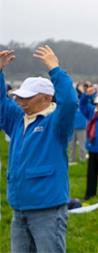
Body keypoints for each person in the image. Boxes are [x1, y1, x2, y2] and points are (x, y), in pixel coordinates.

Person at [0, 46, 78, 253]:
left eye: (27, 97)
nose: (20, 101)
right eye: (19, 96)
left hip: (47, 209)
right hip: (19, 207)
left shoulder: (56, 123)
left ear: (46, 98)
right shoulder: (18, 119)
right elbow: (1, 102)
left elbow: (69, 102)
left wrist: (55, 69)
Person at [70, 84, 88, 163]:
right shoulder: (71, 102)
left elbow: (85, 97)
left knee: (82, 145)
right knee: (71, 145)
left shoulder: (83, 102)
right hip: (72, 127)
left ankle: (82, 158)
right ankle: (72, 159)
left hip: (81, 126)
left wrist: (82, 90)